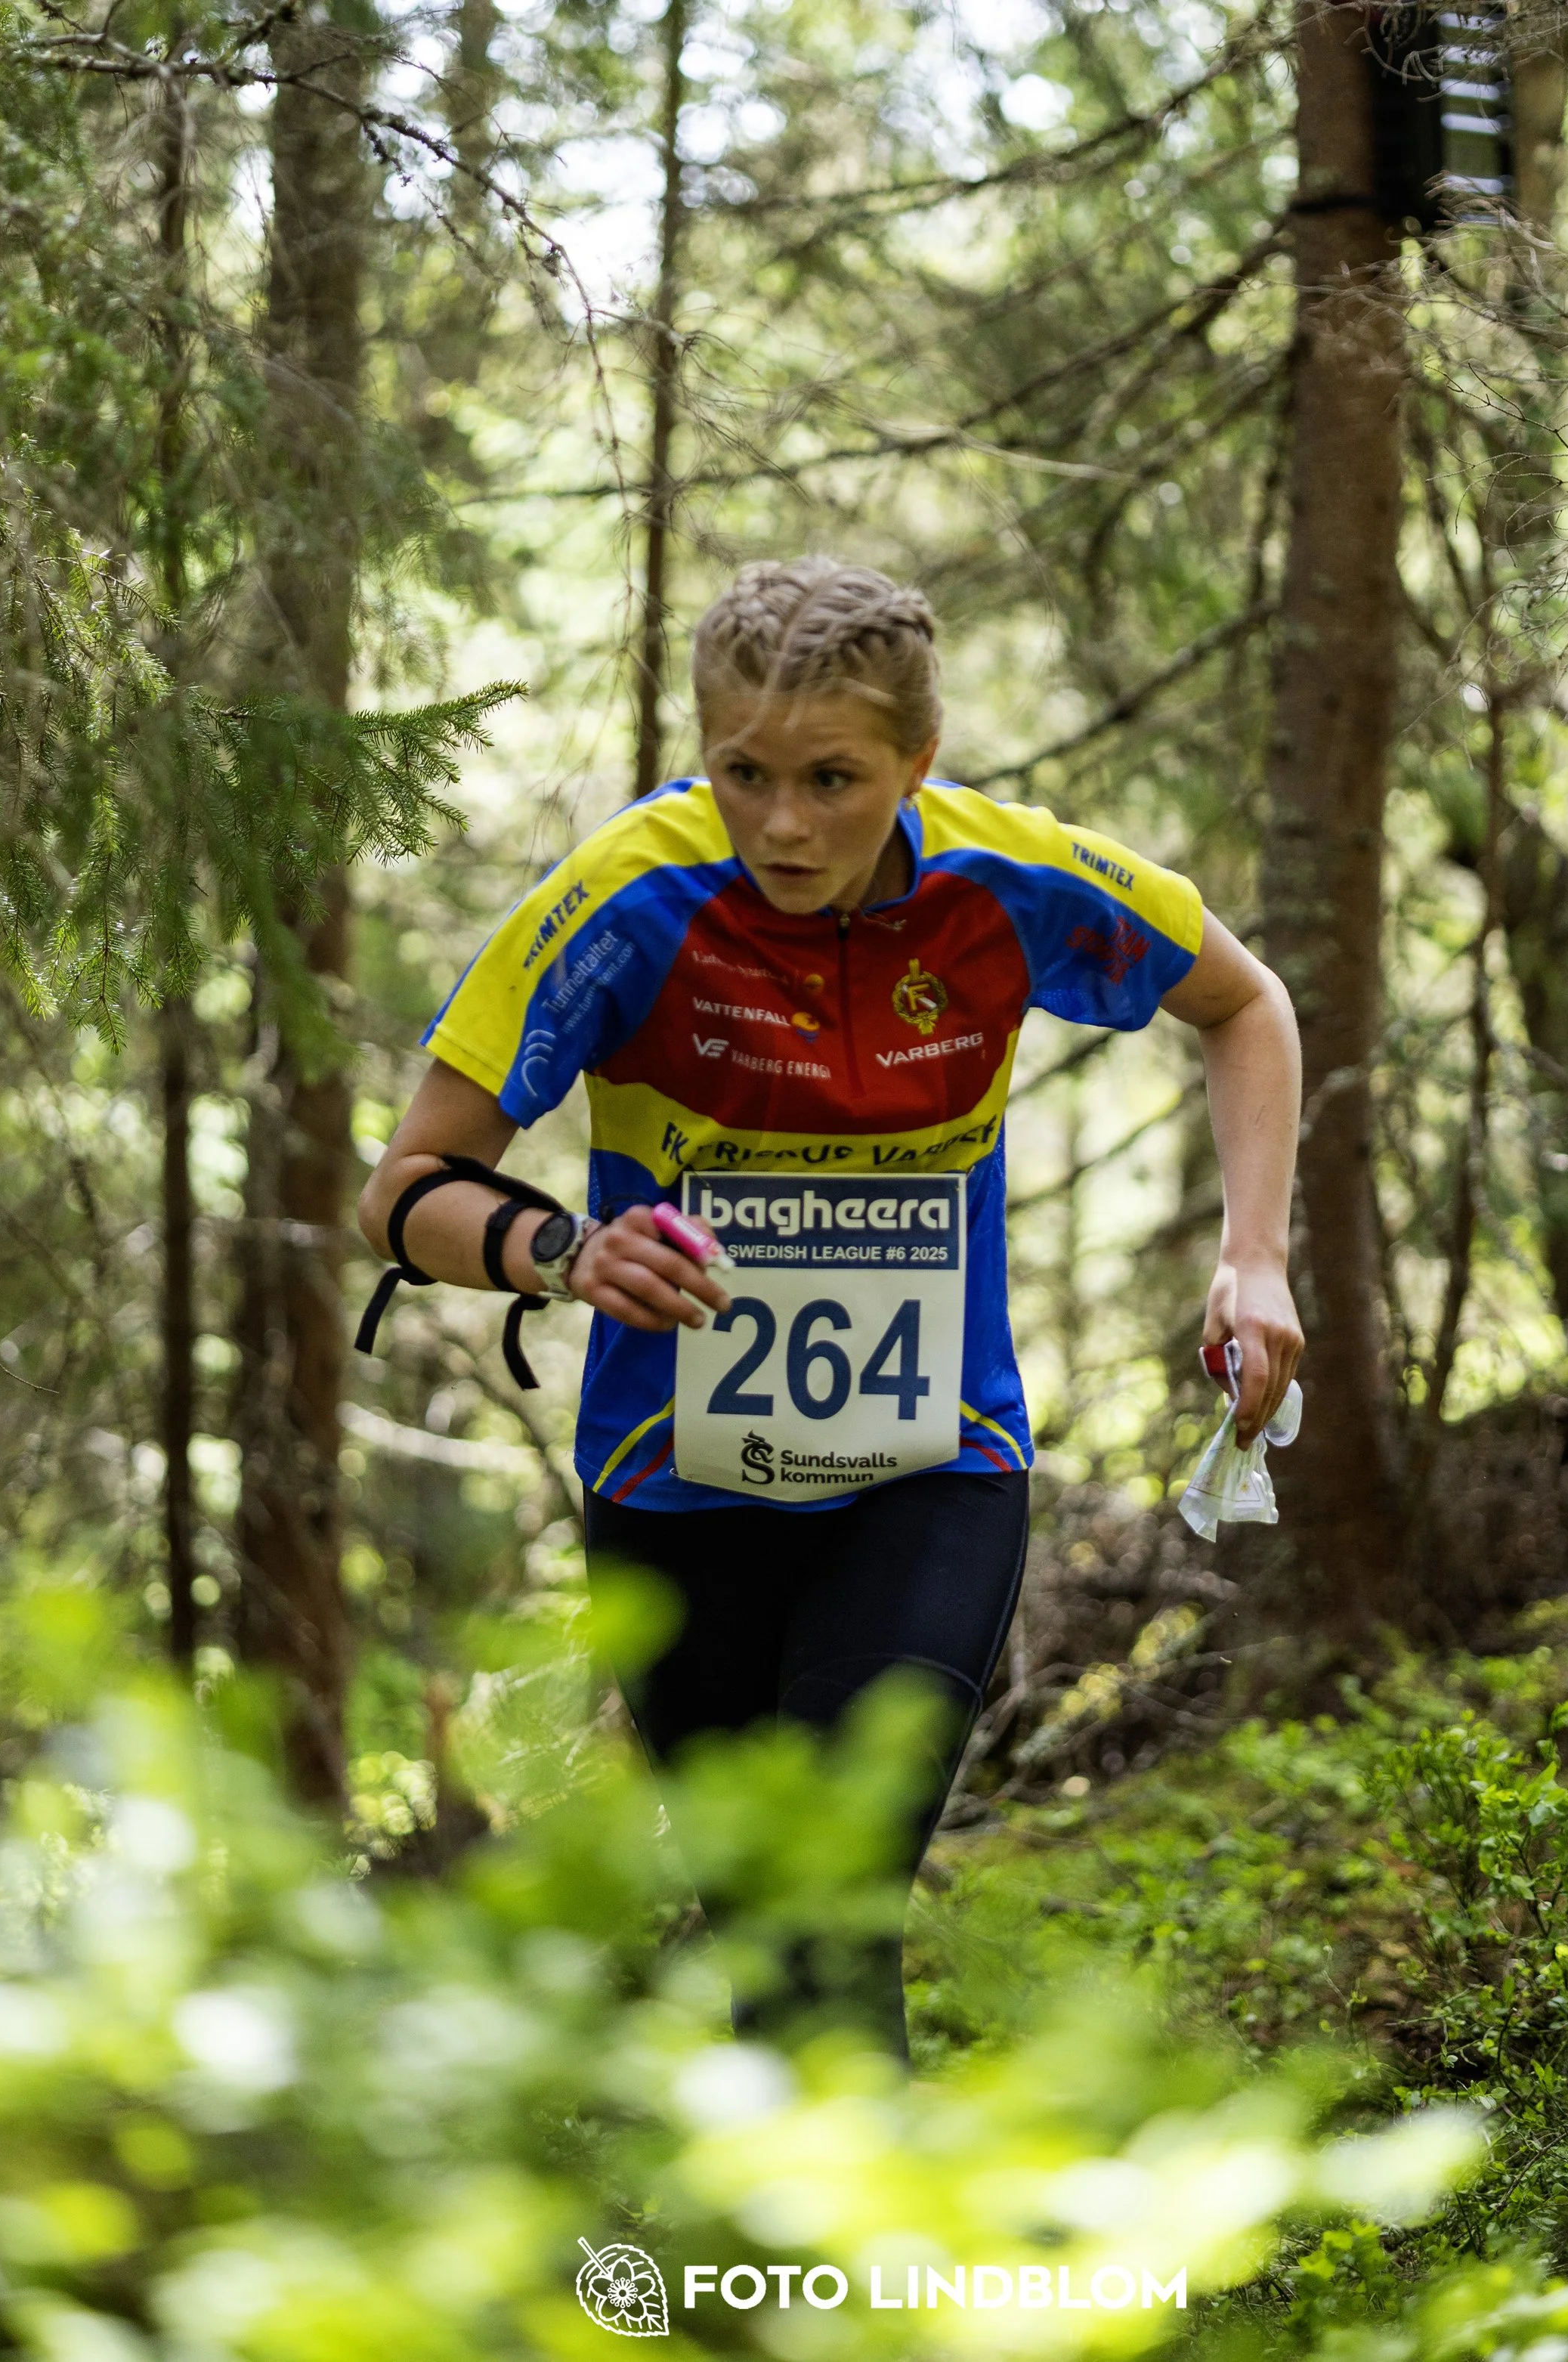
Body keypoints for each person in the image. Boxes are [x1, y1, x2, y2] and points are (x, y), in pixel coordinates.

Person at [357, 556, 1303, 2054]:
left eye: (831, 778)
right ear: (702, 747)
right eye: (742, 771)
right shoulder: (628, 900)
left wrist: (1252, 1250)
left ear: (915, 763)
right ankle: (808, 2258)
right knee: (770, 1934)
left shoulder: (1005, 877)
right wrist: (558, 1251)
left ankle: (849, 2273)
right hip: (672, 1488)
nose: (781, 822)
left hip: (929, 1470)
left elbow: (1243, 1002)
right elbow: (404, 1185)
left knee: (832, 1883)